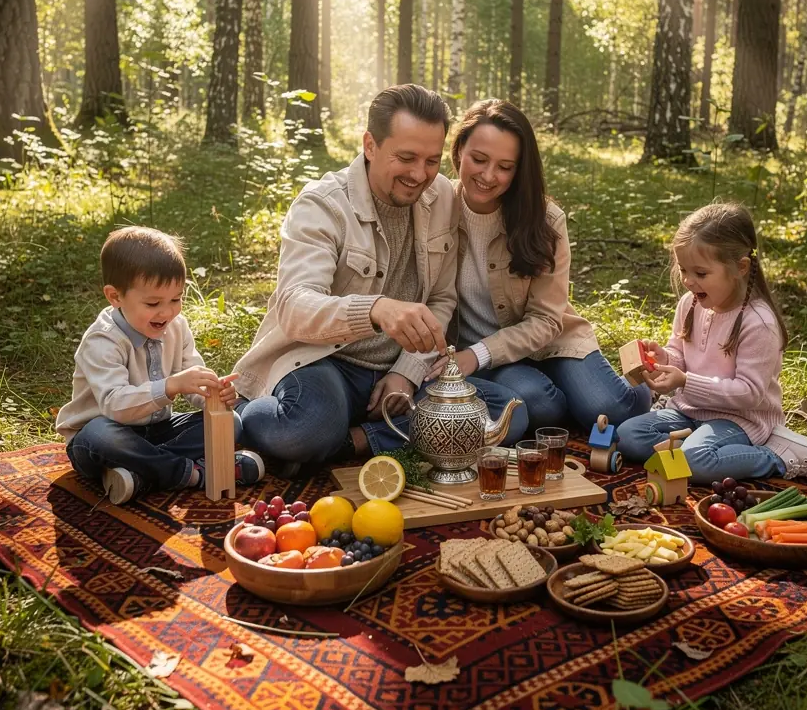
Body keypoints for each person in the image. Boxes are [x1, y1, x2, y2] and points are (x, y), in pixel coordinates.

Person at [231, 84, 528, 469]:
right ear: (370, 145)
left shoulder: (442, 198)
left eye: (432, 161)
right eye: (406, 157)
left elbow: (441, 300)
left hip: (402, 372)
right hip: (326, 362)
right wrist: (376, 310)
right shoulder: (322, 205)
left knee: (508, 411)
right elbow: (294, 307)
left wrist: (407, 373)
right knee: (302, 428)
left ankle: (352, 442)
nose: (420, 175)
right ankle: (248, 412)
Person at [424, 99, 651, 432]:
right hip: (487, 355)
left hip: (550, 344)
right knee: (541, 405)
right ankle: (552, 390)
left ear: (519, 169)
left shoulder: (545, 219)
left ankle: (636, 388)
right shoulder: (435, 209)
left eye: (505, 166)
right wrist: (475, 355)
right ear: (458, 151)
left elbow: (546, 320)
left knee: (609, 409)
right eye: (479, 159)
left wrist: (476, 356)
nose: (488, 175)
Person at [615, 203, 807, 483]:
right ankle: (693, 448)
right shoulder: (690, 303)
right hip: (688, 411)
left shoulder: (758, 322)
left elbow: (749, 394)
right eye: (683, 269)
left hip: (740, 419)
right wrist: (665, 360)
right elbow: (679, 352)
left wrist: (685, 382)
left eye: (700, 273)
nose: (688, 281)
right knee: (628, 436)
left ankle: (779, 456)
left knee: (694, 462)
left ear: (741, 267)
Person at [57, 226, 264, 504]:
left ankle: (141, 475)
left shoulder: (177, 327)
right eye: (153, 303)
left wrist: (214, 396)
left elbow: (192, 382)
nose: (167, 312)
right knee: (101, 435)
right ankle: (191, 474)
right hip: (100, 437)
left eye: (176, 299)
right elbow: (115, 405)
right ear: (115, 297)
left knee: (232, 423)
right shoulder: (102, 341)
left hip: (157, 432)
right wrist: (170, 386)